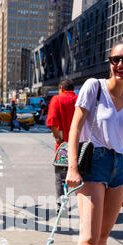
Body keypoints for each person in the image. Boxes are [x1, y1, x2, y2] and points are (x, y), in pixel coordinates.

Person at [66, 39, 123, 245]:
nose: (119, 64)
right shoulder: (94, 86)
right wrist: (72, 168)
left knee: (103, 237)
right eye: (114, 59)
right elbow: (75, 127)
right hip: (93, 162)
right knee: (89, 238)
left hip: (117, 169)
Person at [46, 79, 78, 213]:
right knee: (81, 177)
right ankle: (85, 206)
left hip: (63, 146)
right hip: (79, 146)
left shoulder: (57, 99)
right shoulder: (79, 99)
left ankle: (61, 206)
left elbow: (52, 121)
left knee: (60, 178)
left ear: (61, 88)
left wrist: (56, 136)